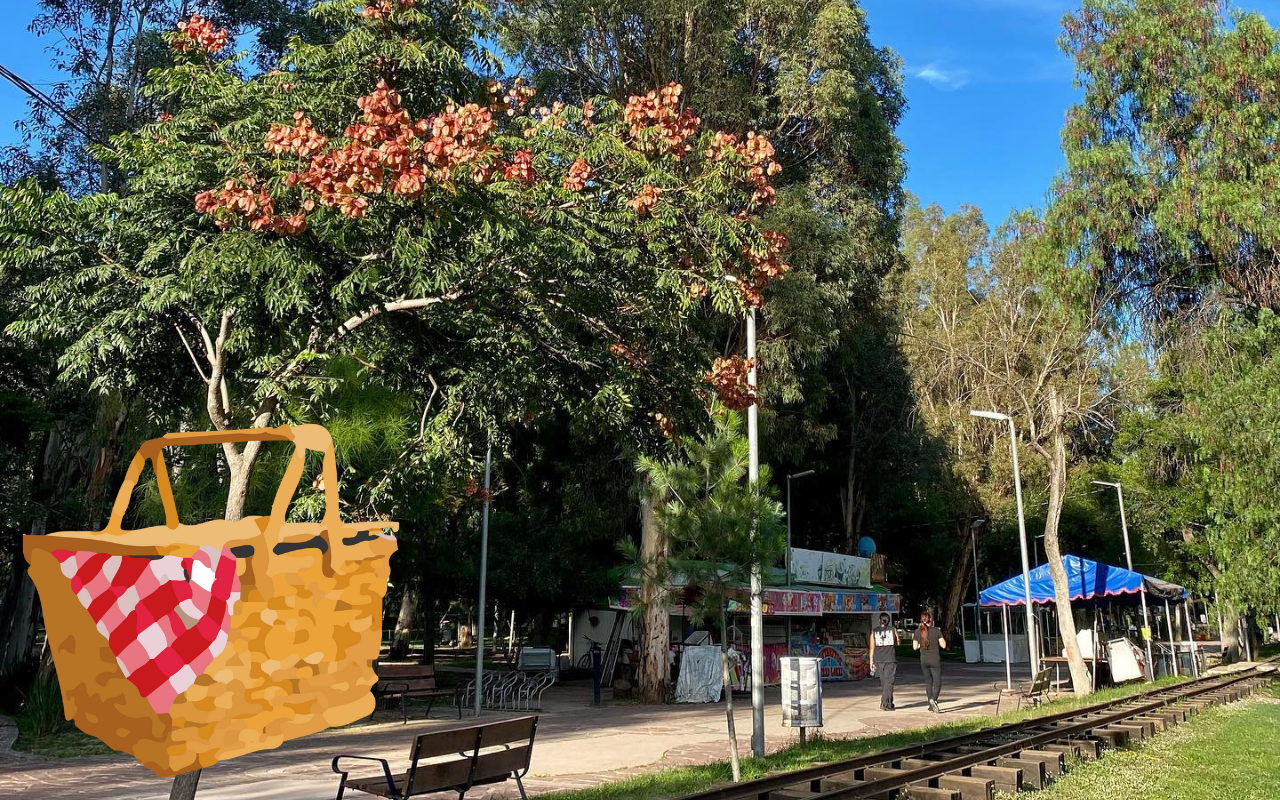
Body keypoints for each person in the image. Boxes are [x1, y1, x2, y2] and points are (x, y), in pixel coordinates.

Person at [912, 610, 947, 712]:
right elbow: (943, 645)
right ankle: (934, 699)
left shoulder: (918, 632)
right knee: (937, 681)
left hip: (924, 659)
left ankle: (930, 704)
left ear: (922, 620)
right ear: (931, 620)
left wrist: (921, 644)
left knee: (928, 681)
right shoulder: (936, 631)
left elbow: (915, 647)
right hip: (935, 659)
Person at [868, 612, 899, 710]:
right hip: (890, 659)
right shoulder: (893, 630)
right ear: (888, 621)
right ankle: (886, 704)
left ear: (879, 620)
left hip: (879, 660)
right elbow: (898, 642)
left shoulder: (874, 631)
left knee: (884, 683)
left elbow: (872, 648)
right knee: (889, 682)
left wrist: (871, 661)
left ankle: (887, 702)